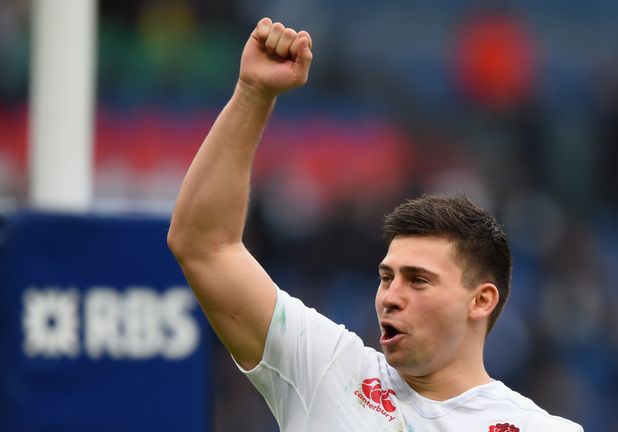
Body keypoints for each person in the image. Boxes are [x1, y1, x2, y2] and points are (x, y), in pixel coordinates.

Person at [167, 17, 583, 431]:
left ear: (481, 300)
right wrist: (252, 94)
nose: (390, 297)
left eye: (418, 280)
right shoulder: (326, 370)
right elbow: (204, 247)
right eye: (387, 278)